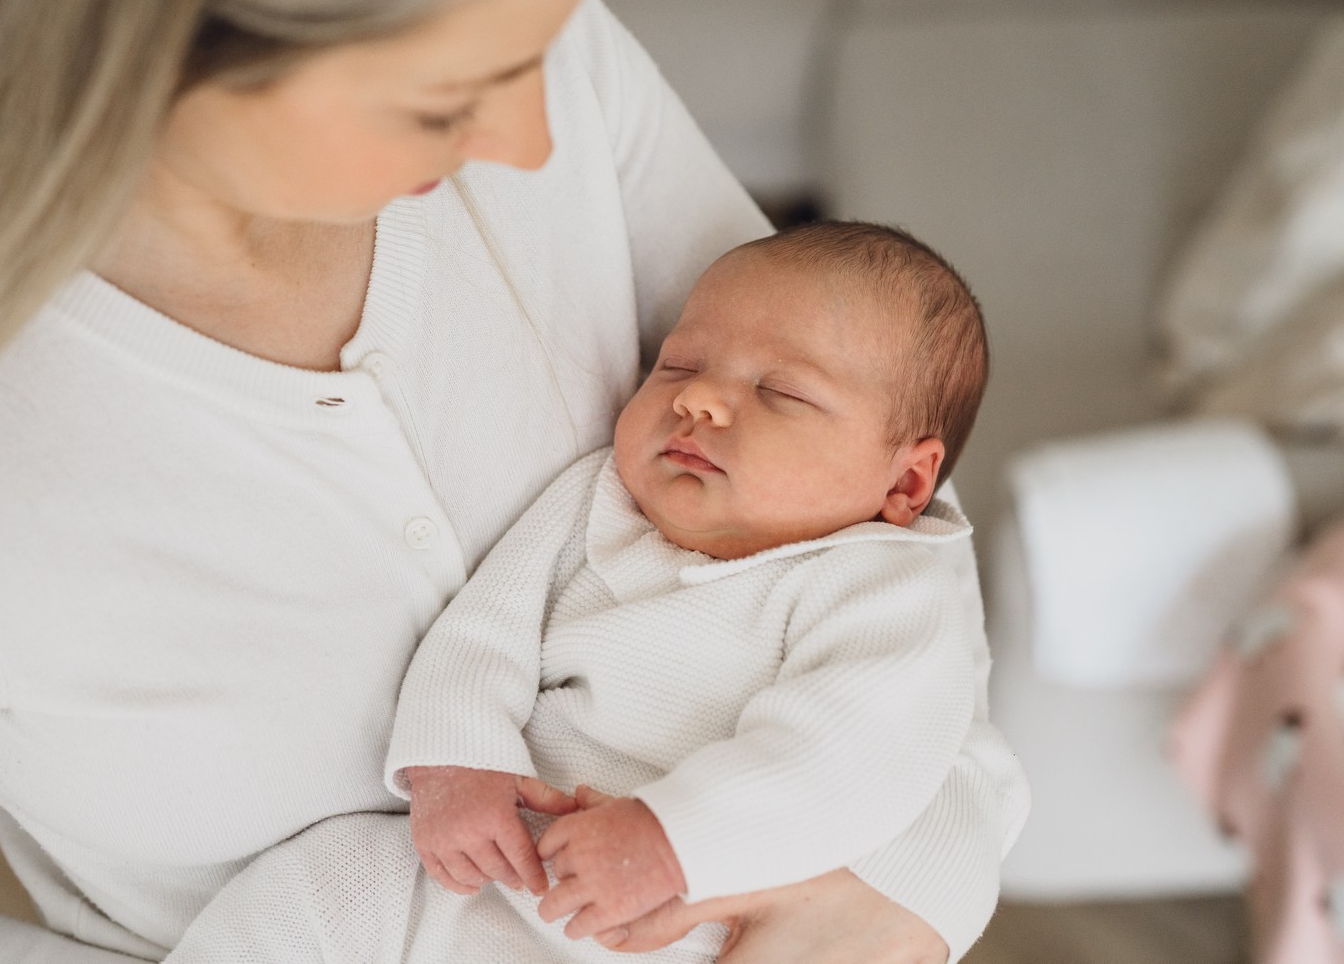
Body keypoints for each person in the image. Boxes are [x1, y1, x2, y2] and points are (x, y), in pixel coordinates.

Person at [0, 0, 1029, 962]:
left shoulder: (539, 61)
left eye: (540, 41)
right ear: (157, 38)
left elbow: (877, 521)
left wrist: (903, 894)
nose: (530, 143)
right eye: (439, 96)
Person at [163, 222, 995, 963]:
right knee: (326, 881)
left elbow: (850, 756)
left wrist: (676, 841)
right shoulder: (596, 499)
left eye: (780, 393)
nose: (698, 399)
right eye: (679, 364)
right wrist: (459, 759)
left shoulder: (886, 585)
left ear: (908, 480)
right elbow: (486, 630)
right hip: (510, 859)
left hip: (691, 914)